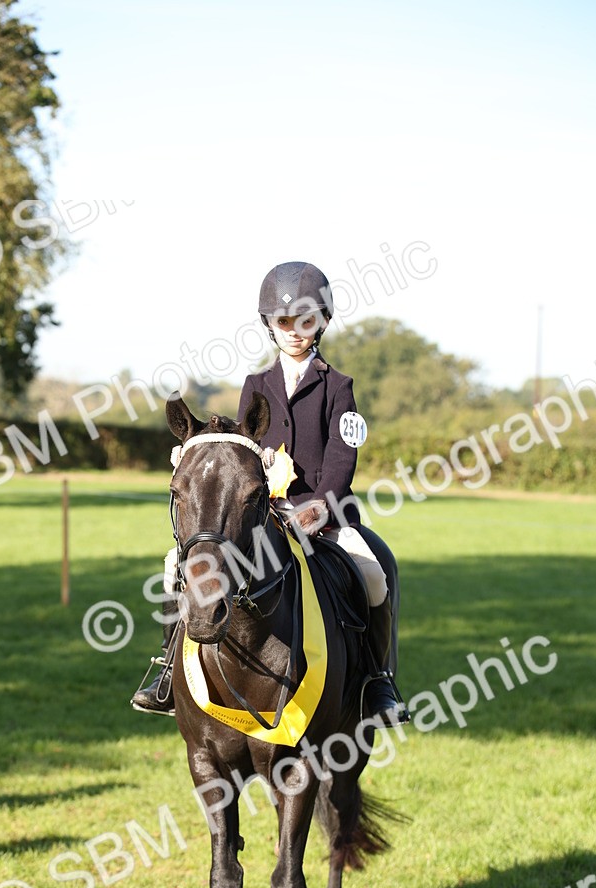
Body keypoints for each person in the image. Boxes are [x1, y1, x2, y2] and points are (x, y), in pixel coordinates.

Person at [131, 260, 409, 726]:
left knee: (374, 573)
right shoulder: (256, 385)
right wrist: (197, 454)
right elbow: (243, 447)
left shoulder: (339, 387)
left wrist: (319, 507)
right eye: (284, 322)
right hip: (263, 515)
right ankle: (165, 673)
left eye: (305, 320)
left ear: (322, 321)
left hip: (324, 516)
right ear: (270, 325)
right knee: (172, 566)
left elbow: (343, 457)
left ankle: (376, 681)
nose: (294, 331)